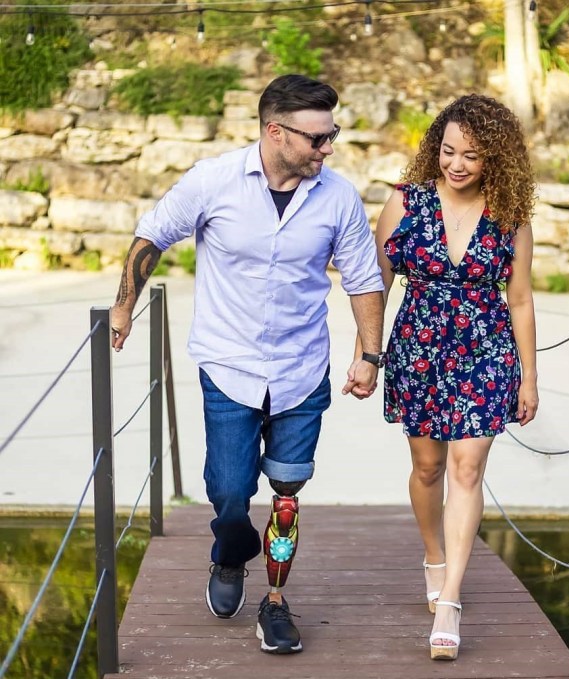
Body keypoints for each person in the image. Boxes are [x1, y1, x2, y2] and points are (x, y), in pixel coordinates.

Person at [110, 74, 385, 655]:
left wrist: (369, 355)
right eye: (317, 138)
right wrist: (123, 306)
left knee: (286, 493)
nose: (328, 148)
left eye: (331, 135)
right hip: (229, 365)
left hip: (301, 370)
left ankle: (277, 603)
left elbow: (363, 279)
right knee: (229, 491)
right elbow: (153, 235)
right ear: (275, 132)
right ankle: (229, 554)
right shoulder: (214, 181)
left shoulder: (337, 197)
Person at [373, 94, 538, 660]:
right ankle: (432, 554)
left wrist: (529, 379)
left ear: (495, 157)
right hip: (418, 346)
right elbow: (376, 285)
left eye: (471, 154)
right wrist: (365, 355)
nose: (457, 164)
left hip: (486, 349)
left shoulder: (510, 215)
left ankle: (449, 601)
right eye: (448, 151)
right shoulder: (404, 202)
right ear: (434, 149)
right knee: (428, 466)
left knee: (468, 469)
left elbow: (519, 300)